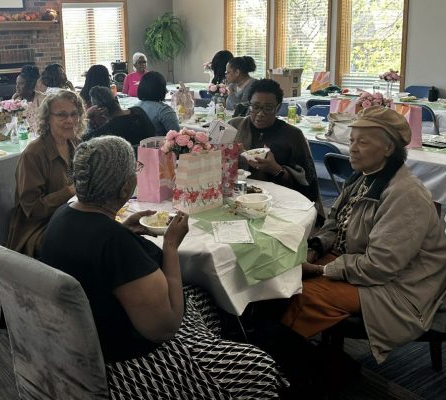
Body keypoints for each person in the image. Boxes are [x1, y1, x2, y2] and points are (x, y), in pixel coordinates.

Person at [41, 135, 283, 398]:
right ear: (124, 189)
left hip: (80, 344)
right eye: (136, 168)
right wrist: (170, 246)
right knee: (261, 367)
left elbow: (92, 255)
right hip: (127, 366)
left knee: (204, 298)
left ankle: (210, 347)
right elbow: (165, 328)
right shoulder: (115, 243)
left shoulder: (63, 216)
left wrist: (122, 230)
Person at [282, 106, 446, 365]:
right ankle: (292, 353)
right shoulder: (363, 176)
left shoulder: (405, 194)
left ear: (388, 149)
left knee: (300, 295)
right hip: (357, 261)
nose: (352, 148)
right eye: (351, 140)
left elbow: (381, 267)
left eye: (362, 142)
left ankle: (287, 366)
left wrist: (320, 270)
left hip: (399, 286)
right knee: (280, 274)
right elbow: (334, 223)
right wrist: (315, 249)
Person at [7, 90, 84, 257]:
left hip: (70, 217)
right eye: (62, 115)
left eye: (74, 114)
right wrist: (69, 191)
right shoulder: (34, 154)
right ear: (47, 119)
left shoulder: (75, 143)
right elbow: (33, 210)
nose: (70, 120)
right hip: (38, 229)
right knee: (91, 242)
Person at [229, 79, 322, 215]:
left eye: (268, 108)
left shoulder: (293, 135)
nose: (260, 114)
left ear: (278, 108)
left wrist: (276, 169)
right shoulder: (234, 127)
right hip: (237, 199)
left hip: (280, 205)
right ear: (249, 105)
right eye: (255, 107)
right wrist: (228, 155)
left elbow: (308, 183)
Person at [84, 86, 155, 153]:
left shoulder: (109, 130)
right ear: (116, 99)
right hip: (151, 158)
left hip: (128, 164)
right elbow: (152, 132)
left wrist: (86, 116)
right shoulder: (138, 111)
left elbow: (81, 141)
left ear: (101, 110)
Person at [12, 64, 46, 133]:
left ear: (30, 85)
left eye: (21, 84)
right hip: (22, 136)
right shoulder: (16, 98)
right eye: (16, 83)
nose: (17, 86)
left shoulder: (42, 99)